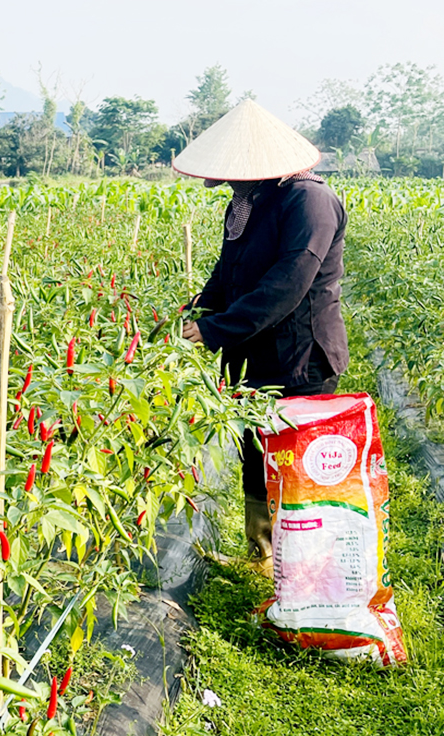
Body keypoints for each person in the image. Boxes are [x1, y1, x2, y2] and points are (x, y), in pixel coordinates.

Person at [173, 99, 349, 574]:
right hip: (252, 355)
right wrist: (193, 312)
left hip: (300, 357)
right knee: (254, 451)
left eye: (232, 174)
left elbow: (287, 284)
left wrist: (212, 330)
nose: (226, 182)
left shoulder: (308, 201)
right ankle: (263, 552)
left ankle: (307, 569)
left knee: (296, 462)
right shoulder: (248, 202)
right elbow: (228, 273)